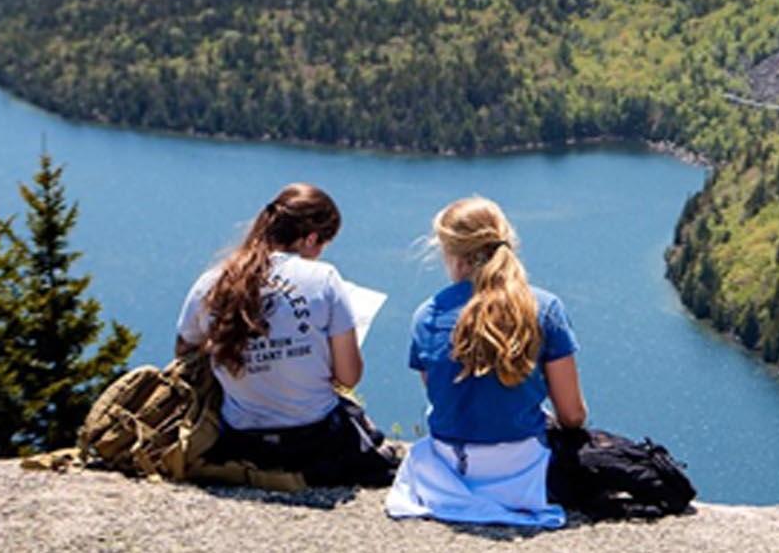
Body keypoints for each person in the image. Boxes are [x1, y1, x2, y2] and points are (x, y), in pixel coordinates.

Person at [175, 182, 399, 486]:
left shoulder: (213, 281)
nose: (319, 254)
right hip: (313, 440)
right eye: (322, 244)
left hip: (240, 438)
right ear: (310, 238)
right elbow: (349, 377)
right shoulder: (324, 279)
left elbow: (184, 354)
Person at [386, 196, 587, 529]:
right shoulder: (545, 308)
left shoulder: (428, 316)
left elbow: (443, 398)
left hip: (449, 469)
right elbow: (572, 415)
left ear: (449, 252)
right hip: (525, 471)